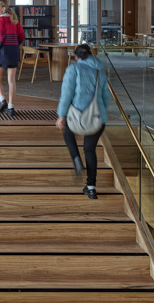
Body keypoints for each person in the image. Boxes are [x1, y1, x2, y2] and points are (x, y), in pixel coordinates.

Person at [55, 44, 110, 199]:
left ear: (76, 57)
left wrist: (61, 115)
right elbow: (106, 98)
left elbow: (66, 94)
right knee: (90, 150)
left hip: (78, 116)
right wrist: (101, 112)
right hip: (98, 119)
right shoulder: (101, 73)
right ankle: (91, 187)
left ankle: (76, 159)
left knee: (68, 133)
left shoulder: (73, 69)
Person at [0, 0, 25, 117]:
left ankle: (2, 101)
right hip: (13, 52)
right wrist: (15, 45)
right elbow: (22, 36)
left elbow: (0, 37)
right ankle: (11, 108)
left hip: (2, 52)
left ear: (3, 9)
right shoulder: (14, 20)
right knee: (11, 81)